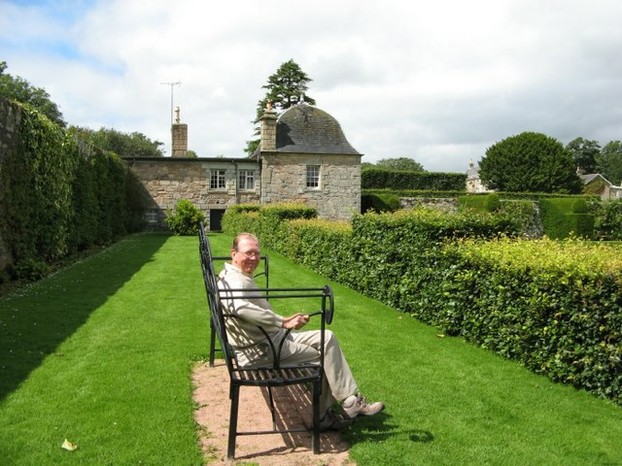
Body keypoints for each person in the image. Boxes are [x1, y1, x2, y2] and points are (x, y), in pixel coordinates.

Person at [218, 232, 384, 431]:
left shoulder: (232, 275)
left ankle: (350, 401)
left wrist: (285, 322)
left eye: (257, 253)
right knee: (324, 358)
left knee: (327, 337)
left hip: (270, 340)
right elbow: (240, 308)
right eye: (248, 253)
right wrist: (282, 322)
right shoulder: (236, 282)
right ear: (234, 253)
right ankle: (323, 418)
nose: (254, 258)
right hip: (262, 351)